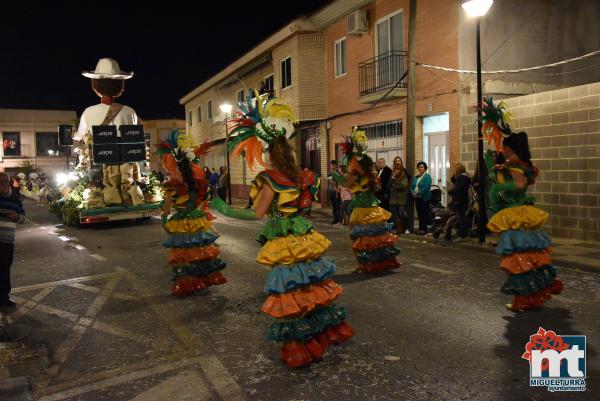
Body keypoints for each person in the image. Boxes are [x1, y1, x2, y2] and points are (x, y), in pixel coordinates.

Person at [216, 93, 353, 368]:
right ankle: (320, 336)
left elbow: (257, 213)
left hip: (284, 241)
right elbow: (311, 198)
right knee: (310, 288)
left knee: (290, 295)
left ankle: (301, 346)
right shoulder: (298, 175)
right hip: (303, 237)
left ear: (267, 152)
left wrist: (225, 209)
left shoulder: (270, 178)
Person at [481, 98, 562, 312]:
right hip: (512, 214)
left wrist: (500, 185)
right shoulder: (513, 165)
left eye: (505, 148)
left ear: (511, 148)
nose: (503, 151)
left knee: (516, 260)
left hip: (515, 215)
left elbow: (518, 185)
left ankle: (523, 298)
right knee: (521, 259)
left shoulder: (518, 168)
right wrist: (494, 171)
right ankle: (531, 296)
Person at [157, 130, 226, 296]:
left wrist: (165, 218)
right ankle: (202, 281)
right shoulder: (197, 182)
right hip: (196, 220)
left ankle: (187, 284)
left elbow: (167, 206)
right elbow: (202, 202)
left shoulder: (174, 183)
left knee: (183, 255)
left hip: (181, 222)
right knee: (199, 251)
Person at [332, 127, 401, 274]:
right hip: (373, 207)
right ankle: (378, 263)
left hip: (362, 208)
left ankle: (362, 264)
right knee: (376, 238)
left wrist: (334, 174)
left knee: (355, 236)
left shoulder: (356, 172)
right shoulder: (370, 170)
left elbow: (345, 183)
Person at [0, 173, 26, 307]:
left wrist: (16, 217)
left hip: (7, 241)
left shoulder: (15, 199)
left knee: (5, 269)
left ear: (8, 183)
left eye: (3, 182)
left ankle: (4, 297)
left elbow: (23, 218)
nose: (2, 185)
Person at [448, 163, 471, 241]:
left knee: (461, 219)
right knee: (461, 218)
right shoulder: (464, 178)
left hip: (460, 200)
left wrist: (451, 192)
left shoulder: (461, 178)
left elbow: (458, 189)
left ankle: (463, 236)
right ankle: (463, 234)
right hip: (463, 200)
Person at [410, 161, 432, 235]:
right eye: (419, 167)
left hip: (424, 198)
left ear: (425, 168)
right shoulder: (416, 177)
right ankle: (420, 228)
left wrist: (418, 193)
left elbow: (426, 187)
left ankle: (424, 229)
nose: (420, 168)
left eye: (422, 167)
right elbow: (412, 186)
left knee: (423, 214)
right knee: (419, 214)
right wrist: (412, 192)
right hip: (417, 198)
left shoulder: (427, 177)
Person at [388, 156, 409, 235]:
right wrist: (393, 177)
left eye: (399, 161)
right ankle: (397, 229)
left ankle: (406, 228)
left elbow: (403, 186)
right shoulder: (392, 173)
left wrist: (394, 186)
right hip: (393, 198)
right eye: (396, 161)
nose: (397, 162)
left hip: (401, 198)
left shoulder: (405, 173)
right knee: (394, 215)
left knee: (402, 214)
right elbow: (388, 186)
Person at [327, 160, 341, 224]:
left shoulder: (338, 172)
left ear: (336, 165)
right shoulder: (330, 173)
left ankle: (339, 219)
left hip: (336, 191)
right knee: (333, 205)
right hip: (330, 190)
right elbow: (328, 179)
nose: (332, 166)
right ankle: (335, 218)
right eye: (331, 165)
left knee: (337, 205)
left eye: (333, 165)